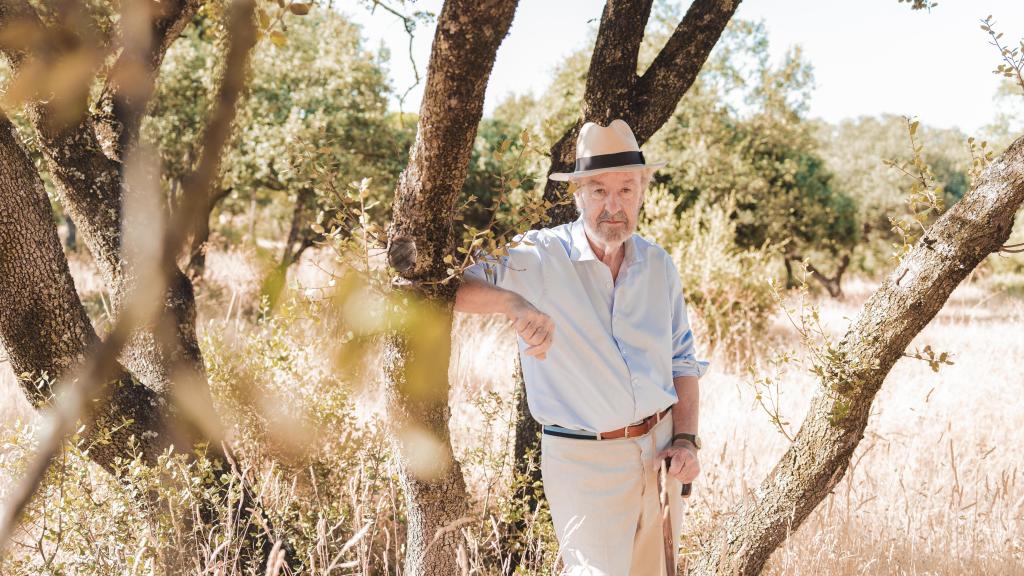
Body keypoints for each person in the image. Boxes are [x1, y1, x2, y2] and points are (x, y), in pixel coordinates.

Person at [454, 119, 709, 575]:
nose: (614, 207)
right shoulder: (538, 256)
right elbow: (448, 288)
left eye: (626, 190)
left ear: (642, 193)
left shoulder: (658, 265)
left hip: (662, 453)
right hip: (583, 462)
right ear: (577, 196)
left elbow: (682, 361)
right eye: (598, 191)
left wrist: (686, 439)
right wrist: (512, 302)